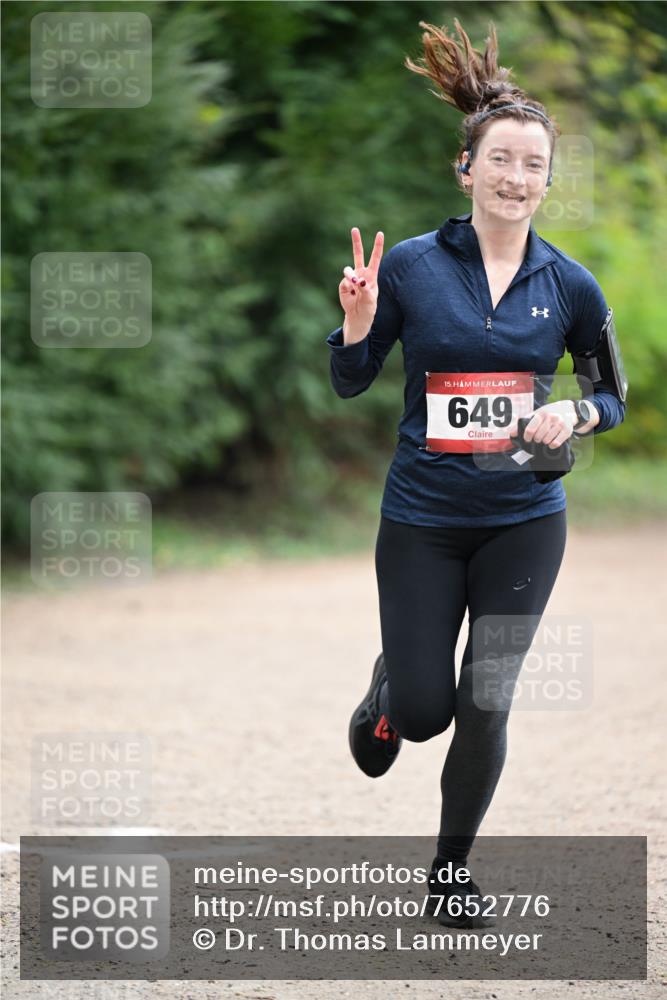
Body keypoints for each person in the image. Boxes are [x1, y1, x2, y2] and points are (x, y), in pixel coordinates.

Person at [325, 19, 627, 929]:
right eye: (499, 160)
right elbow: (348, 381)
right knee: (424, 714)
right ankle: (390, 687)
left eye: (533, 165)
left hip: (525, 517)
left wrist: (572, 411)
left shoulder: (570, 284)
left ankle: (449, 876)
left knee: (486, 702)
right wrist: (357, 316)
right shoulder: (412, 266)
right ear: (467, 169)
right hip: (421, 515)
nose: (516, 178)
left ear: (546, 179)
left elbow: (610, 395)